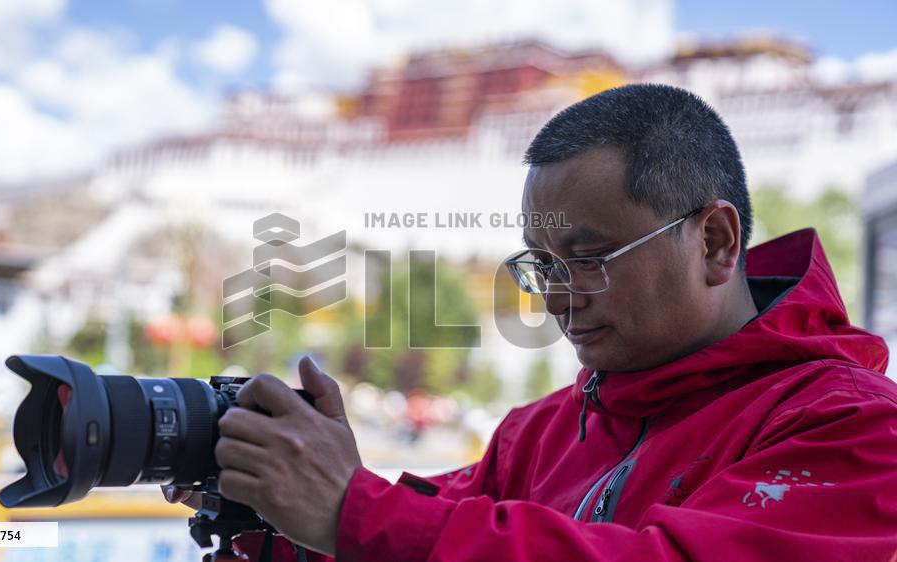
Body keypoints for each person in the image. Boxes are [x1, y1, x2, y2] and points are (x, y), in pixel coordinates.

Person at [164, 84, 897, 561]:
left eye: (588, 256)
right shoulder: (540, 432)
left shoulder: (855, 430)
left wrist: (350, 509)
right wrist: (276, 514)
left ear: (714, 241)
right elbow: (433, 521)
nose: (556, 295)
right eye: (542, 264)